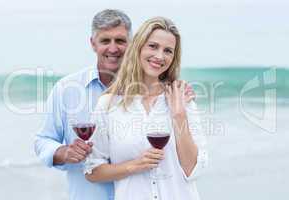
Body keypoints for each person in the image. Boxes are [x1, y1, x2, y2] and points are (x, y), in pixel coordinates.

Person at [34, 10, 195, 200]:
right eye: (105, 41)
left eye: (120, 41)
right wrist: (63, 152)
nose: (113, 49)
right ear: (93, 43)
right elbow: (43, 140)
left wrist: (179, 110)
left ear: (133, 43)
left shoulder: (163, 93)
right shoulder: (66, 89)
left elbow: (187, 163)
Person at [84, 17, 208, 200]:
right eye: (153, 46)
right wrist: (134, 165)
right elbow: (92, 171)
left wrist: (179, 115)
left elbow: (193, 170)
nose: (159, 56)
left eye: (168, 51)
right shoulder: (109, 105)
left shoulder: (183, 99)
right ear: (138, 47)